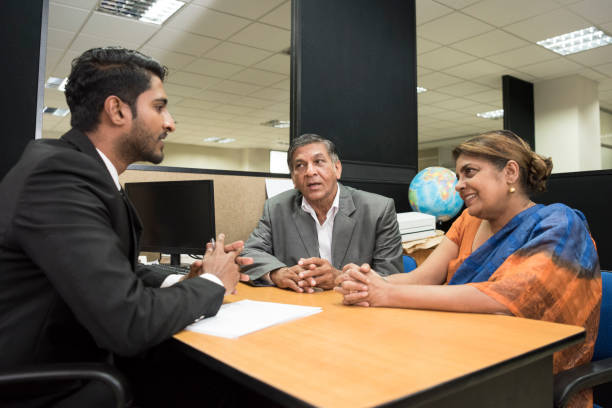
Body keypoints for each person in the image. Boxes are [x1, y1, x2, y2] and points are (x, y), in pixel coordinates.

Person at [0, 47, 251, 407]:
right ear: (117, 110)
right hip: (44, 386)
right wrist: (212, 283)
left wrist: (183, 281)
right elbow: (128, 323)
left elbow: (111, 269)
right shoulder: (59, 177)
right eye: (160, 107)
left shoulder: (85, 172)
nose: (171, 123)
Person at [335, 130, 600, 408]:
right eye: (458, 176)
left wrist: (385, 294)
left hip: (530, 380)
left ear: (510, 172)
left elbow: (502, 299)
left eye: (469, 172)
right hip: (459, 355)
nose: (459, 185)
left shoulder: (560, 224)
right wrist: (367, 281)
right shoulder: (468, 221)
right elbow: (422, 278)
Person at [241, 133, 403, 292]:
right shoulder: (276, 208)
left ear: (337, 168)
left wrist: (339, 278)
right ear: (293, 178)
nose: (310, 172)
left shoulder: (378, 209)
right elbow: (249, 253)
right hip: (300, 307)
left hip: (357, 309)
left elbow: (391, 278)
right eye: (300, 165)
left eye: (318, 162)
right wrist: (278, 273)